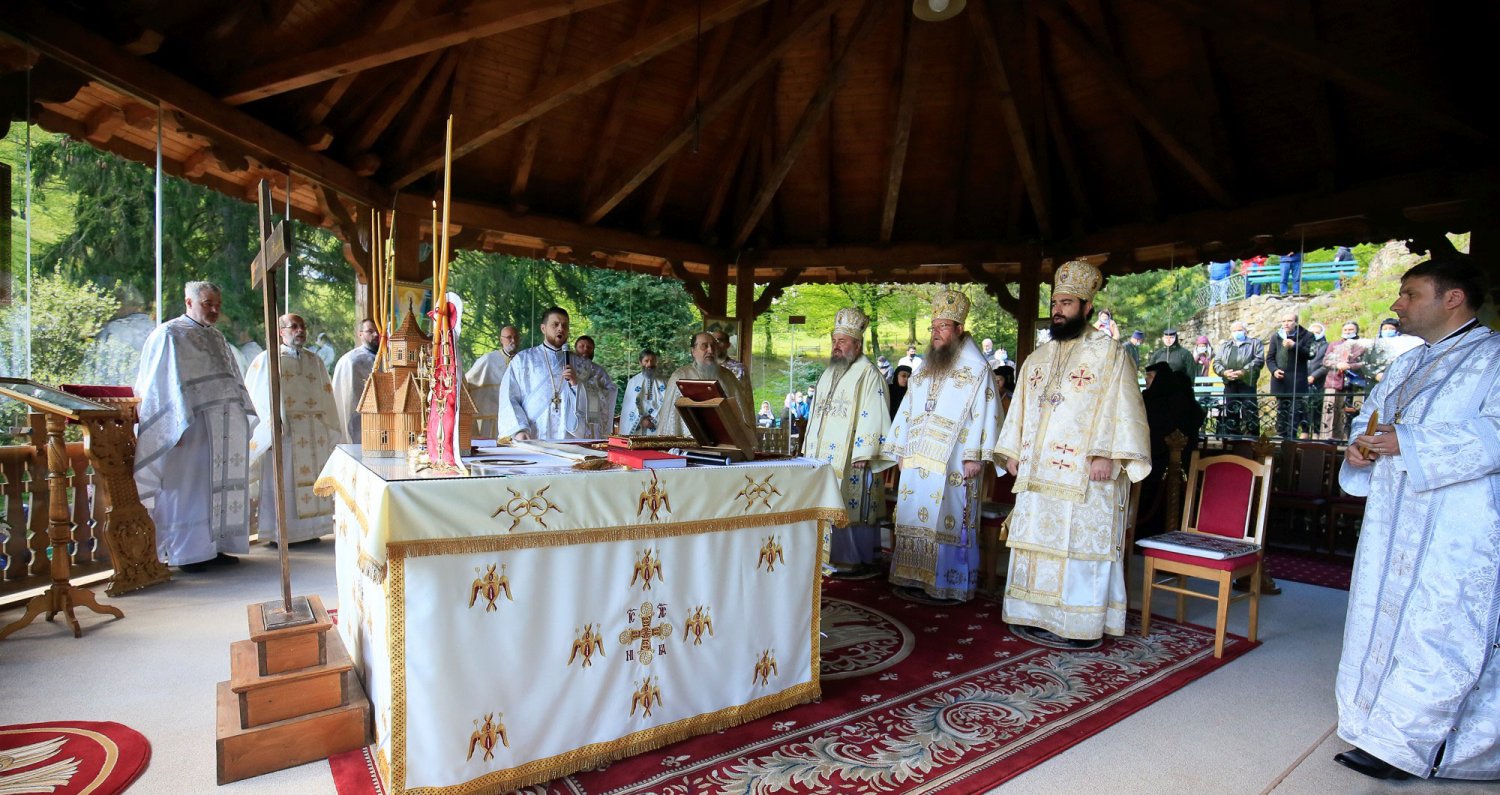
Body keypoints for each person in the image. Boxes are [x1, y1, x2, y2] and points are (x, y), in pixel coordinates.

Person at [1334, 253, 1500, 782]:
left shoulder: (1494, 359)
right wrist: (1358, 447)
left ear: (1452, 299)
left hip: (1458, 525)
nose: (1397, 304)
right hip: (1393, 517)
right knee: (1385, 619)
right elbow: (1372, 418)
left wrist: (1413, 442)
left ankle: (1422, 746)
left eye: (1410, 294)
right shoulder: (1407, 363)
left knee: (1438, 628)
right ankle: (1374, 728)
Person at [996, 260, 1150, 647]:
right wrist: (1012, 450)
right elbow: (1020, 410)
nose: (1058, 310)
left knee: (1079, 547)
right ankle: (1033, 615)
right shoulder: (1038, 358)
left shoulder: (1110, 354)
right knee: (1036, 542)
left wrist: (1108, 456)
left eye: (1067, 303)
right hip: (1036, 472)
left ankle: (1077, 625)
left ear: (1086, 307)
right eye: (1056, 302)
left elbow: (1125, 409)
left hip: (1085, 472)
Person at [882, 289, 1004, 604]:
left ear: (960, 329)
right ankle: (912, 576)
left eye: (943, 326)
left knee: (947, 518)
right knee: (913, 515)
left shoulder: (977, 369)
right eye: (933, 327)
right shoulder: (923, 368)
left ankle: (947, 582)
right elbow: (907, 410)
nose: (936, 333)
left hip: (954, 463)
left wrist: (976, 457)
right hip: (917, 459)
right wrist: (899, 448)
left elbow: (987, 414)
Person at [133, 281, 254, 572]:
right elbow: (157, 386)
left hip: (222, 428)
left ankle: (216, 547)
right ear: (188, 302)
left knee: (217, 486)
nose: (213, 310)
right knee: (188, 489)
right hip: (187, 428)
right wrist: (168, 429)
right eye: (206, 304)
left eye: (217, 305)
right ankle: (187, 553)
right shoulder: (169, 334)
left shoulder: (217, 338)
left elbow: (232, 382)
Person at [802, 308, 893, 576]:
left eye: (842, 341)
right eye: (834, 341)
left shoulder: (869, 374)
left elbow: (875, 412)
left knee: (850, 506)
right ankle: (825, 556)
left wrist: (866, 451)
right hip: (822, 457)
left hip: (853, 456)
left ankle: (853, 557)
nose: (836, 346)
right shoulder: (828, 373)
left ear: (857, 344)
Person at [244, 314, 341, 547]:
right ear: (281, 332)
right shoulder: (268, 360)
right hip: (285, 433)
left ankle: (311, 529)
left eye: (302, 327)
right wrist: (272, 425)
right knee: (283, 481)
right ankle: (281, 532)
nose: (300, 331)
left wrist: (329, 427)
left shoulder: (314, 360)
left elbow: (326, 395)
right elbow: (258, 398)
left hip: (313, 433)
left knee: (313, 480)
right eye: (294, 327)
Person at [495, 308, 614, 440]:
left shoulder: (582, 365)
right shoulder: (523, 360)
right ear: (543, 328)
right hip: (533, 435)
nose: (560, 329)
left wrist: (577, 386)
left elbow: (602, 395)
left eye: (564, 325)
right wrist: (519, 429)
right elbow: (509, 397)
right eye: (555, 324)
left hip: (569, 437)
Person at [1136, 363, 1205, 537]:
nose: (1146, 379)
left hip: (1166, 462)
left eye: (1151, 376)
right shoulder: (1149, 398)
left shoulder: (1172, 401)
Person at [654, 331, 754, 439]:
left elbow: (741, 414)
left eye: (713, 346)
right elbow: (670, 421)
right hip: (689, 444)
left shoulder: (728, 377)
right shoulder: (680, 376)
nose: (710, 350)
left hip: (726, 442)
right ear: (693, 351)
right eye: (705, 346)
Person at [1266, 311, 1318, 437]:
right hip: (1281, 380)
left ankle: (1292, 437)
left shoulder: (1307, 335)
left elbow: (1311, 354)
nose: (1286, 323)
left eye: (1289, 321)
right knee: (1281, 410)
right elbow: (1270, 358)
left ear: (1296, 322)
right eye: (1284, 321)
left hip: (1297, 380)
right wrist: (1274, 370)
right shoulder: (1276, 336)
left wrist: (1295, 346)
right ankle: (1281, 434)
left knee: (1295, 411)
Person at [465, 325, 520, 439]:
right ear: (501, 340)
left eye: (515, 337)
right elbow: (468, 382)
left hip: (516, 416)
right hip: (492, 415)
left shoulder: (524, 360)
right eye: (509, 337)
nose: (513, 341)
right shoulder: (488, 359)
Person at [331, 318, 378, 445]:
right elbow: (346, 399)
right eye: (370, 331)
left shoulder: (388, 358)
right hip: (358, 417)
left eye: (378, 330)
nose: (376, 334)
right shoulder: (350, 361)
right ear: (360, 334)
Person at [1214, 321, 1264, 437]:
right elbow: (1217, 362)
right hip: (1230, 383)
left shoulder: (1254, 343)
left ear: (1245, 331)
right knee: (1231, 410)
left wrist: (1244, 371)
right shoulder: (1225, 345)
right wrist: (1224, 372)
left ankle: (1252, 437)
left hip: (1247, 382)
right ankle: (1233, 436)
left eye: (1240, 330)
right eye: (1234, 330)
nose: (1237, 332)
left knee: (1250, 410)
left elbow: (1259, 360)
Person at [1320, 321, 1367, 440]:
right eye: (1345, 330)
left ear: (1356, 330)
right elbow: (1325, 361)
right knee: (1330, 410)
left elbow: (1366, 363)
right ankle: (1327, 437)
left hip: (1354, 382)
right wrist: (1337, 364)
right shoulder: (1334, 345)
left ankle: (1347, 438)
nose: (1347, 332)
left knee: (1349, 411)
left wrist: (1350, 366)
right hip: (1334, 380)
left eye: (1350, 330)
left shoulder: (1363, 345)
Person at [573, 334, 617, 437]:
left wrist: (597, 389)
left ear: (593, 350)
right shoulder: (570, 368)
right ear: (575, 349)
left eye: (589, 347)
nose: (585, 349)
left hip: (595, 415)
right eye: (581, 346)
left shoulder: (599, 370)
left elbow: (611, 390)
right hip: (575, 413)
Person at [620, 349, 667, 435]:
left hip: (656, 426)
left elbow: (667, 403)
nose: (649, 364)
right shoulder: (633, 382)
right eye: (646, 361)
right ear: (640, 362)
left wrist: (653, 417)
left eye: (652, 361)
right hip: (638, 427)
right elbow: (629, 406)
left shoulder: (663, 382)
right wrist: (641, 420)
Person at [1367, 317, 1423, 382]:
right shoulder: (1373, 345)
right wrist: (1376, 374)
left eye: (1391, 329)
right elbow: (1366, 363)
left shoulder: (1406, 344)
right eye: (1385, 329)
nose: (1388, 331)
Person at [1303, 322, 1331, 436]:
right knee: (1303, 407)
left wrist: (1314, 376)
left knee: (1317, 407)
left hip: (1320, 381)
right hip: (1302, 380)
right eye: (1312, 331)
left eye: (1317, 332)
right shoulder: (1303, 345)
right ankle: (1304, 431)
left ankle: (1316, 433)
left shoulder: (1327, 346)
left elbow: (1326, 364)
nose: (1314, 334)